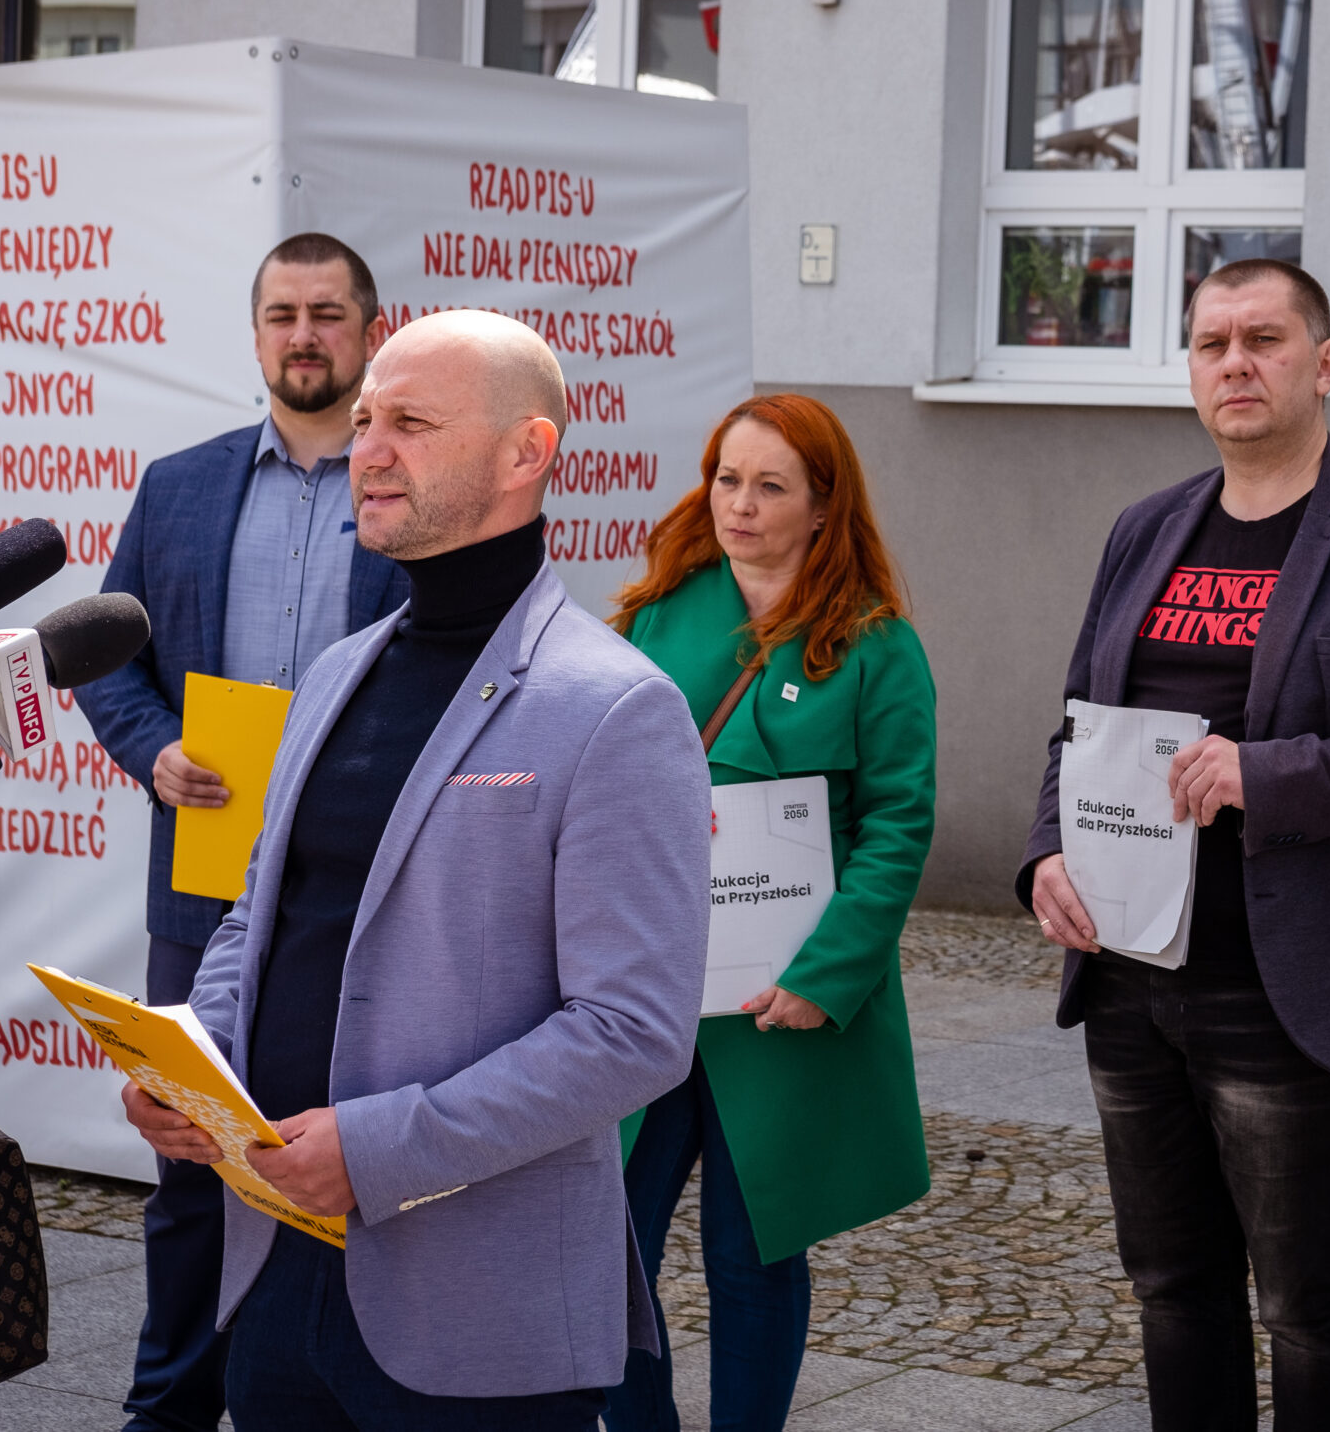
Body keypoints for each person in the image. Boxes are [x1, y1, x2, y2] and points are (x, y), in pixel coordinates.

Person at [117, 310, 709, 1429]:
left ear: (526, 452)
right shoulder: (338, 672)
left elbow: (635, 1031)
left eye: (412, 424)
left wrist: (382, 1149)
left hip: (474, 1314)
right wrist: (198, 1066)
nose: (369, 451)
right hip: (277, 1268)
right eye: (365, 421)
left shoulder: (617, 706)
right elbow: (260, 915)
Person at [1020, 259, 1330, 1430]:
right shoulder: (1147, 530)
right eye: (1211, 344)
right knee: (1171, 1288)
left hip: (1294, 984)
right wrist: (1045, 854)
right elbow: (1081, 724)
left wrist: (1265, 773)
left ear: (1323, 363)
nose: (1235, 363)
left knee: (1305, 1304)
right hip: (1132, 973)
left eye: (1263, 340)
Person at [79, 232, 410, 1432]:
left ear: (372, 331)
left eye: (327, 313)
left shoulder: (410, 487)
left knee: (326, 1154)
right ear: (259, 332)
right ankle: (167, 1408)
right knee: (185, 1164)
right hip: (202, 882)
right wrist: (153, 747)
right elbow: (105, 656)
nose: (303, 336)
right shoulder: (180, 486)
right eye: (282, 315)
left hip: (356, 895)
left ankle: (316, 1393)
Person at [603, 394, 936, 1432]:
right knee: (604, 1247)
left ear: (824, 506)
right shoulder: (657, 614)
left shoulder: (875, 645)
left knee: (754, 1256)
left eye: (770, 486)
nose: (739, 505)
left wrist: (825, 976)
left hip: (778, 1000)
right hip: (652, 987)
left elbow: (897, 824)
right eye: (727, 479)